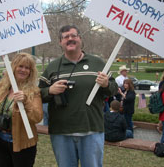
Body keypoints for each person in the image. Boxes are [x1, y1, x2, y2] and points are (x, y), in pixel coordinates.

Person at [38, 25, 118, 167]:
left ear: (80, 39)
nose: (70, 39)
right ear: (60, 42)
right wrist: (50, 90)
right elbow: (37, 95)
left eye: (73, 35)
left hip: (92, 129)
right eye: (65, 37)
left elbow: (114, 90)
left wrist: (106, 84)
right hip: (61, 131)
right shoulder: (52, 67)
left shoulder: (97, 63)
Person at [0, 53, 43, 167]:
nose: (23, 70)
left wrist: (26, 101)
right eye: (20, 66)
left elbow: (37, 117)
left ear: (31, 71)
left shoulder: (34, 91)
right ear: (13, 67)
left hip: (22, 144)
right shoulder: (2, 87)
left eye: (27, 68)